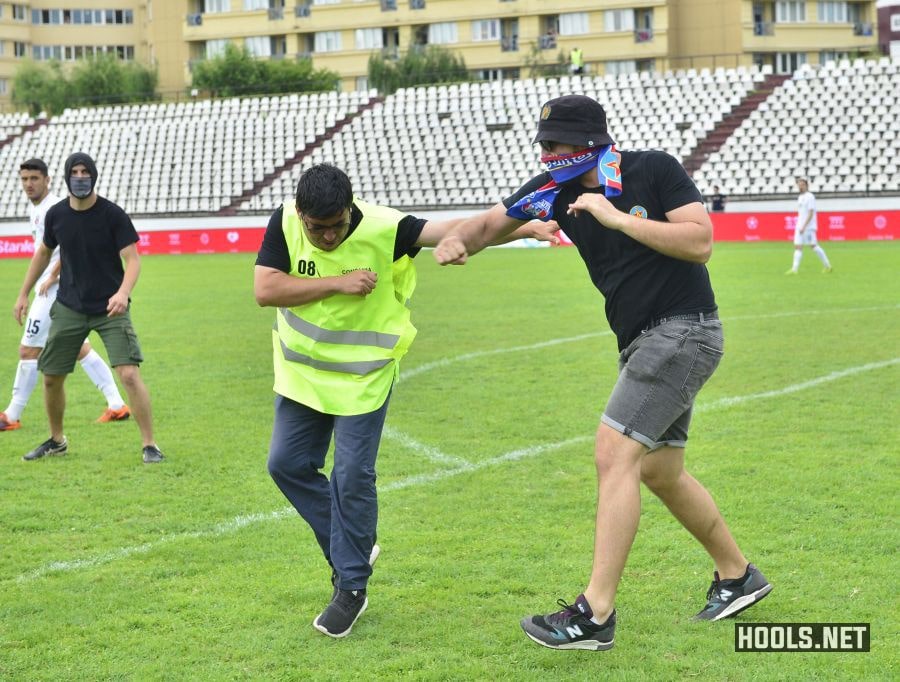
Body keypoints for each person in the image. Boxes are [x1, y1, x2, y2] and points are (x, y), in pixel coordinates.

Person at [433, 95, 771, 651]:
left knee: (613, 454)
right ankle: (738, 576)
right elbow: (489, 223)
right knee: (659, 471)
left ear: (591, 140)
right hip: (646, 341)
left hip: (682, 331)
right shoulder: (553, 191)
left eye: (557, 143)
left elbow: (700, 241)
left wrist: (614, 217)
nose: (548, 153)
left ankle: (595, 614)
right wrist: (457, 240)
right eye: (543, 144)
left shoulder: (651, 168)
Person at [254, 163, 558, 639]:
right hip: (302, 375)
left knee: (352, 475)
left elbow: (457, 231)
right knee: (285, 465)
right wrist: (337, 281)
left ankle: (350, 587)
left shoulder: (386, 228)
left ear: (350, 210)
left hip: (364, 376)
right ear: (300, 213)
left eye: (336, 226)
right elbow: (265, 289)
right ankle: (351, 542)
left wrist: (523, 225)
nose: (327, 237)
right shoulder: (285, 221)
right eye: (318, 229)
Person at [13, 152, 165, 464]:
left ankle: (150, 444)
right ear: (67, 176)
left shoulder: (112, 214)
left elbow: (133, 259)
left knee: (129, 374)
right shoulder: (57, 215)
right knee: (52, 376)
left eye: (85, 172)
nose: (80, 177)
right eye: (75, 172)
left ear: (93, 176)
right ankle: (57, 440)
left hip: (111, 307)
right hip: (69, 306)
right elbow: (43, 254)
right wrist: (23, 293)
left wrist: (123, 293)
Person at [1, 158, 130, 432]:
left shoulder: (58, 208)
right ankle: (117, 404)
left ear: (48, 180)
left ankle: (11, 415)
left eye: (34, 178)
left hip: (56, 291)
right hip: (63, 292)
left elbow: (69, 246)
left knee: (28, 349)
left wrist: (53, 275)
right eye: (24, 179)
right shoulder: (37, 209)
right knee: (80, 349)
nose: (29, 184)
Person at [786, 177, 832, 274]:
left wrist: (804, 226)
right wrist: (800, 225)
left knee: (813, 246)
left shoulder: (810, 197)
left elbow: (811, 213)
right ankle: (794, 269)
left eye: (802, 184)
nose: (800, 186)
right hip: (800, 226)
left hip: (808, 227)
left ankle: (827, 266)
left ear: (806, 186)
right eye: (799, 185)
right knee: (798, 246)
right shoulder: (800, 197)